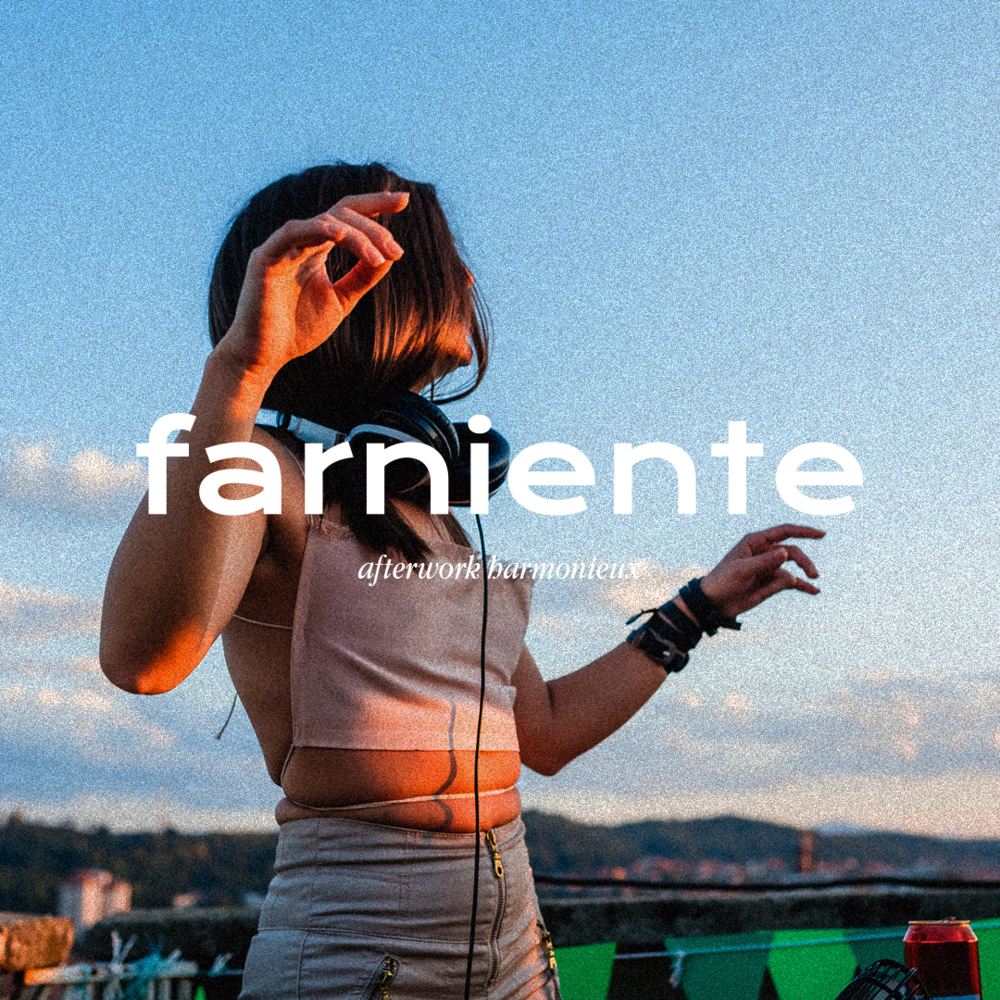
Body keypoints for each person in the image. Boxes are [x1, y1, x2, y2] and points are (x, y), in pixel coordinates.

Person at [100, 162, 825, 1000]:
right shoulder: (263, 468)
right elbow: (142, 659)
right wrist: (239, 370)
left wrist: (694, 610)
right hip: (357, 960)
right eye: (445, 261)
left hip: (517, 950)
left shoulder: (430, 510)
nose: (471, 283)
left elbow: (543, 732)